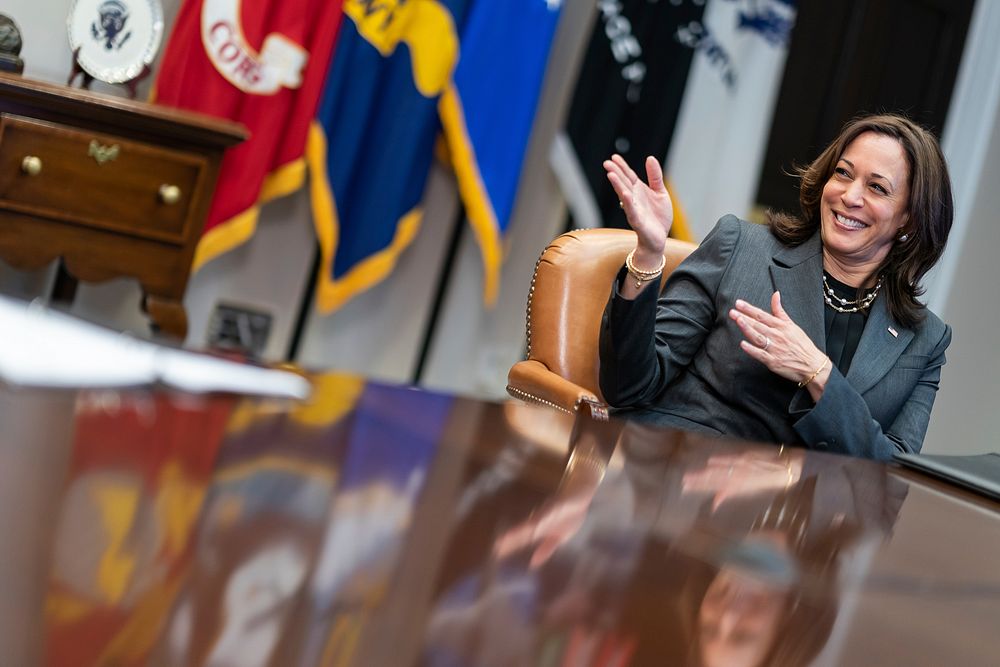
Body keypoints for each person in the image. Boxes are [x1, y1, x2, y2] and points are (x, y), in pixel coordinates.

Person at [598, 113, 953, 460]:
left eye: (877, 187)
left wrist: (818, 373)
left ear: (909, 218)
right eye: (842, 173)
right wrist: (648, 253)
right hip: (677, 474)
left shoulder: (924, 339)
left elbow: (895, 476)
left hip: (800, 513)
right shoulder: (741, 246)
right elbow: (628, 386)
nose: (850, 195)